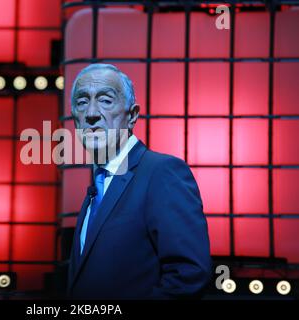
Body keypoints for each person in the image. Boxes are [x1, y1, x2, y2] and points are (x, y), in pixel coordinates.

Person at [66, 63, 212, 299]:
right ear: (75, 120)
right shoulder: (97, 185)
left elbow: (189, 275)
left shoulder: (162, 172)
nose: (91, 112)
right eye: (82, 102)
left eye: (105, 100)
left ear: (132, 115)